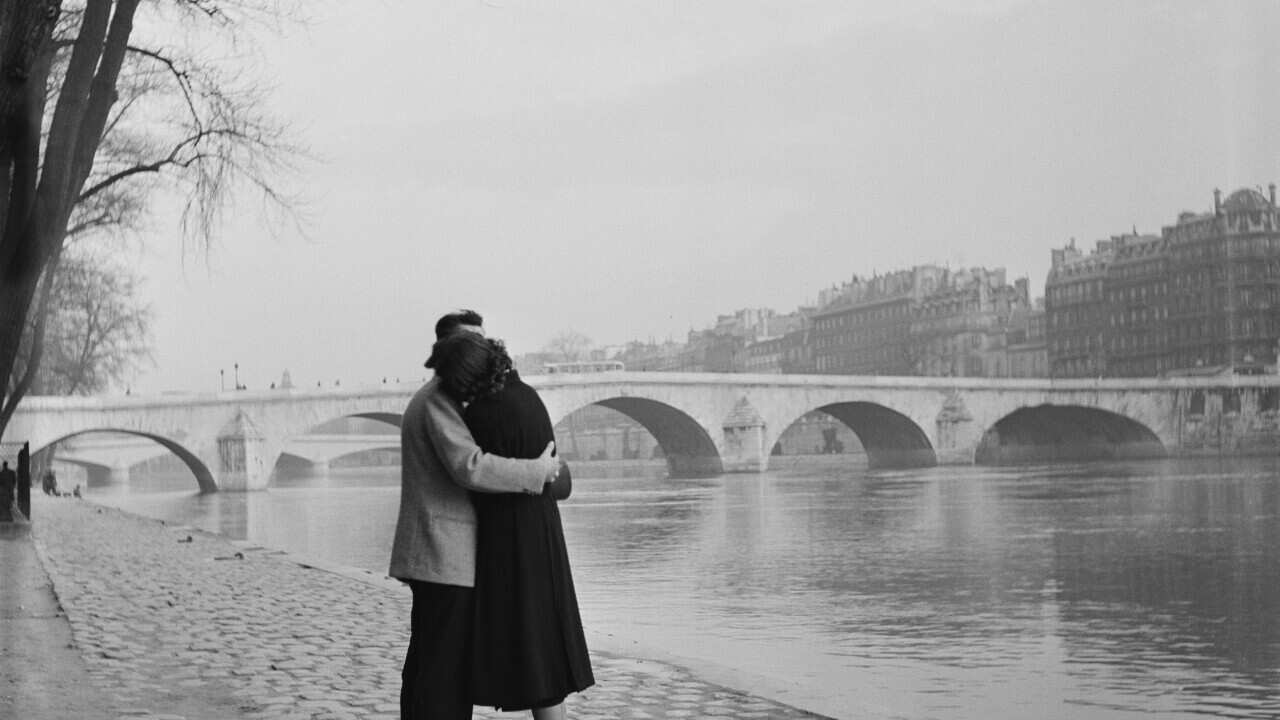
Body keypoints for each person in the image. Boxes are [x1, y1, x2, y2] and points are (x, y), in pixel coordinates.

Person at [389, 310, 562, 720]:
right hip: (442, 555)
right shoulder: (437, 401)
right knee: (442, 672)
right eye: (474, 344)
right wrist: (536, 472)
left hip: (438, 556)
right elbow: (470, 465)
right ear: (451, 349)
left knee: (429, 665)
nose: (483, 351)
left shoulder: (439, 398)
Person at [430, 332, 594, 719]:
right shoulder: (527, 397)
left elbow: (475, 475)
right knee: (543, 644)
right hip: (542, 529)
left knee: (529, 644)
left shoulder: (486, 412)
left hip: (511, 537)